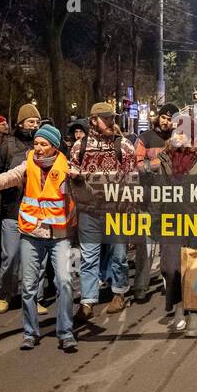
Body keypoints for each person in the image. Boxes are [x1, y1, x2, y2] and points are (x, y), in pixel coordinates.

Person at [0, 124, 78, 351]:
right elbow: (7, 178)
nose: (37, 148)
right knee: (28, 287)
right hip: (31, 234)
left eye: (43, 144)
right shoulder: (27, 165)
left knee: (65, 282)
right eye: (36, 143)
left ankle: (65, 332)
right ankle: (30, 333)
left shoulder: (67, 168)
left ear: (54, 147)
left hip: (59, 235)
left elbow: (87, 191)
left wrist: (80, 181)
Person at [71, 101, 137, 318]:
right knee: (89, 257)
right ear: (93, 120)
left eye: (112, 118)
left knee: (119, 255)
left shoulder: (124, 146)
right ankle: (88, 301)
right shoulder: (79, 147)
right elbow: (72, 179)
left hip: (117, 212)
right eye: (106, 118)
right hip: (89, 213)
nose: (111, 122)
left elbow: (132, 180)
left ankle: (119, 293)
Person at [154, 125, 197, 334]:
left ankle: (193, 315)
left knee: (195, 269)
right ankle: (179, 305)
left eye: (184, 133)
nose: (178, 137)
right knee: (170, 268)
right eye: (176, 133)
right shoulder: (165, 158)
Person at [0, 103, 39, 313]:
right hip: (13, 210)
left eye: (37, 122)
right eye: (30, 122)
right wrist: (10, 186)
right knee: (11, 256)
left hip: (37, 210)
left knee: (36, 259)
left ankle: (35, 297)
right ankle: (4, 294)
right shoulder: (7, 145)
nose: (34, 126)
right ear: (20, 123)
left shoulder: (42, 145)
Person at [132, 103, 179, 302]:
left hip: (171, 199)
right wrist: (156, 165)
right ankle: (141, 287)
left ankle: (169, 283)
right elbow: (137, 165)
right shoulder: (144, 138)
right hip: (149, 198)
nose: (166, 122)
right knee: (146, 246)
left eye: (170, 119)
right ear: (158, 117)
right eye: (164, 118)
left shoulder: (178, 139)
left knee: (168, 246)